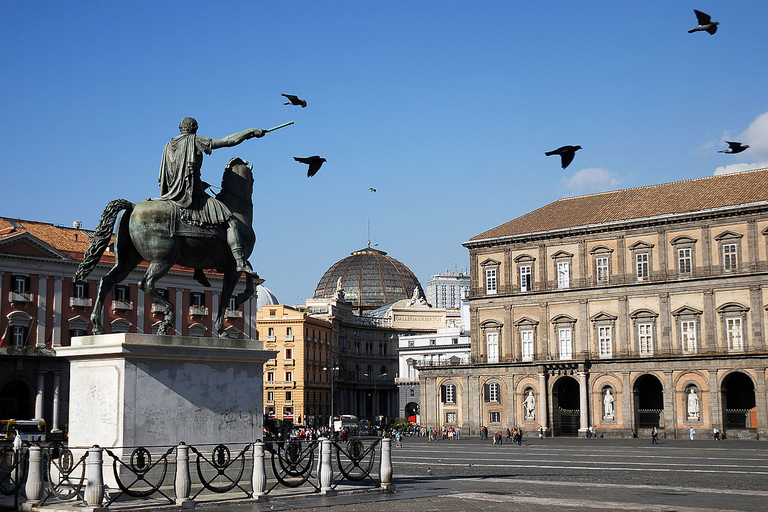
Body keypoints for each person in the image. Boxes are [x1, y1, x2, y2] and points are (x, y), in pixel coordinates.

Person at [156, 117, 264, 278]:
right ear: (195, 128)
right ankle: (240, 262)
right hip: (190, 194)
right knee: (231, 220)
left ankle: (198, 269)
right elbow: (228, 141)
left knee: (202, 227)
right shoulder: (194, 140)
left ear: (180, 128)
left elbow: (168, 173)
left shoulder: (168, 145)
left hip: (171, 192)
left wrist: (198, 182)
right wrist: (249, 132)